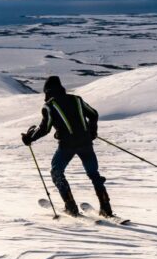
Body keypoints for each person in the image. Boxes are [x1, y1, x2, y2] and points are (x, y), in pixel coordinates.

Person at [21, 76, 114, 218]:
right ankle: (106, 209)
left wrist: (30, 138)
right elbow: (93, 114)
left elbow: (45, 129)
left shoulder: (49, 106)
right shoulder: (76, 99)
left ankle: (71, 207)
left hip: (67, 146)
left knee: (56, 171)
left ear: (47, 91)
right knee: (94, 174)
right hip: (86, 144)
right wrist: (92, 131)